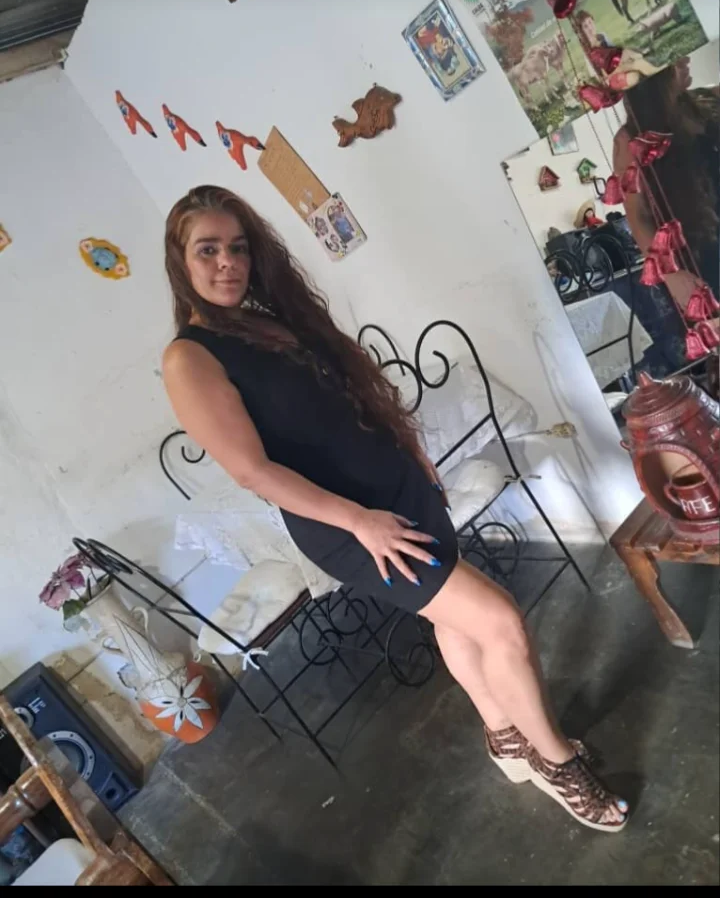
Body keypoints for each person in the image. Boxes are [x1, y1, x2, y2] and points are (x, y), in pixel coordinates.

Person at [162, 185, 628, 832]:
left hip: (397, 487)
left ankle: (505, 736)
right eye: (207, 250)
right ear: (179, 260)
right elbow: (253, 472)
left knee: (455, 619)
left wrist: (410, 450)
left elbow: (343, 398)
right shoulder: (190, 357)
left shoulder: (266, 320)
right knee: (500, 622)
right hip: (350, 525)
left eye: (237, 248)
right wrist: (359, 522)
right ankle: (557, 762)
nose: (227, 264)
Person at [613, 56, 720, 309]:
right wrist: (671, 276)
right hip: (701, 261)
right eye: (673, 57)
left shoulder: (710, 101)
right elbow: (638, 217)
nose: (686, 58)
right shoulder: (630, 140)